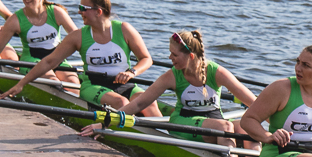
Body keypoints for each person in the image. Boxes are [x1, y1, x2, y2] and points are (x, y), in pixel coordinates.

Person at [90, 29, 255, 143]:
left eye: (174, 54)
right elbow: (139, 103)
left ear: (191, 56)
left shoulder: (217, 72)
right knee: (225, 126)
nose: (170, 57)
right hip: (182, 122)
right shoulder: (172, 76)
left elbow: (253, 103)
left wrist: (267, 129)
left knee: (247, 127)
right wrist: (105, 122)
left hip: (213, 121)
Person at [2, 0, 149, 109]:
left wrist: (132, 72)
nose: (79, 12)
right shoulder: (78, 36)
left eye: (83, 8)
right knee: (121, 103)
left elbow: (146, 59)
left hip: (124, 84)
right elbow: (49, 62)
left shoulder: (124, 29)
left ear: (98, 12)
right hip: (94, 85)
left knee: (150, 102)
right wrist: (21, 83)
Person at [0, 0, 77, 69]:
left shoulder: (56, 12)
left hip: (56, 58)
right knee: (50, 77)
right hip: (31, 60)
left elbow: (78, 37)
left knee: (72, 78)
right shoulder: (15, 20)